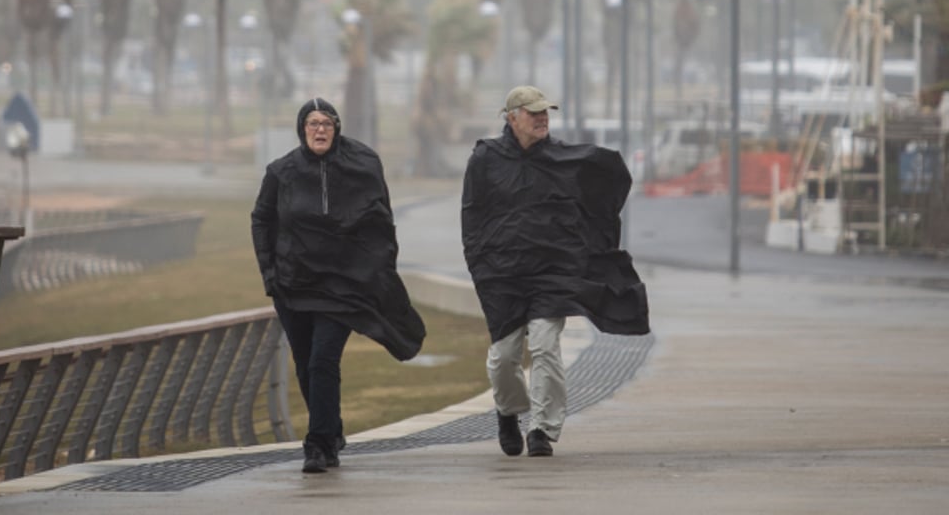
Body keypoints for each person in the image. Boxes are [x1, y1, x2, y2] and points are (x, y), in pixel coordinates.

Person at [461, 85, 650, 458]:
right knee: (503, 357)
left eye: (545, 111)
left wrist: (584, 254)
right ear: (511, 117)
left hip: (552, 273)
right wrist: (480, 266)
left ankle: (541, 431)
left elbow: (597, 199)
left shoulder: (565, 158)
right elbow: (471, 216)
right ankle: (508, 412)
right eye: (533, 112)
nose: (542, 117)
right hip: (501, 275)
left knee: (546, 345)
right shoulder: (486, 159)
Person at [251, 97, 426, 474]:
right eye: (312, 123)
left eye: (327, 123)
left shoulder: (363, 165)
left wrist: (377, 270)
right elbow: (261, 220)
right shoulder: (281, 172)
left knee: (323, 360)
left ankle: (316, 446)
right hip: (294, 286)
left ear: (337, 128)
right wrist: (270, 274)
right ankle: (331, 433)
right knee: (304, 364)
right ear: (301, 130)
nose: (319, 130)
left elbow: (382, 221)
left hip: (344, 286)